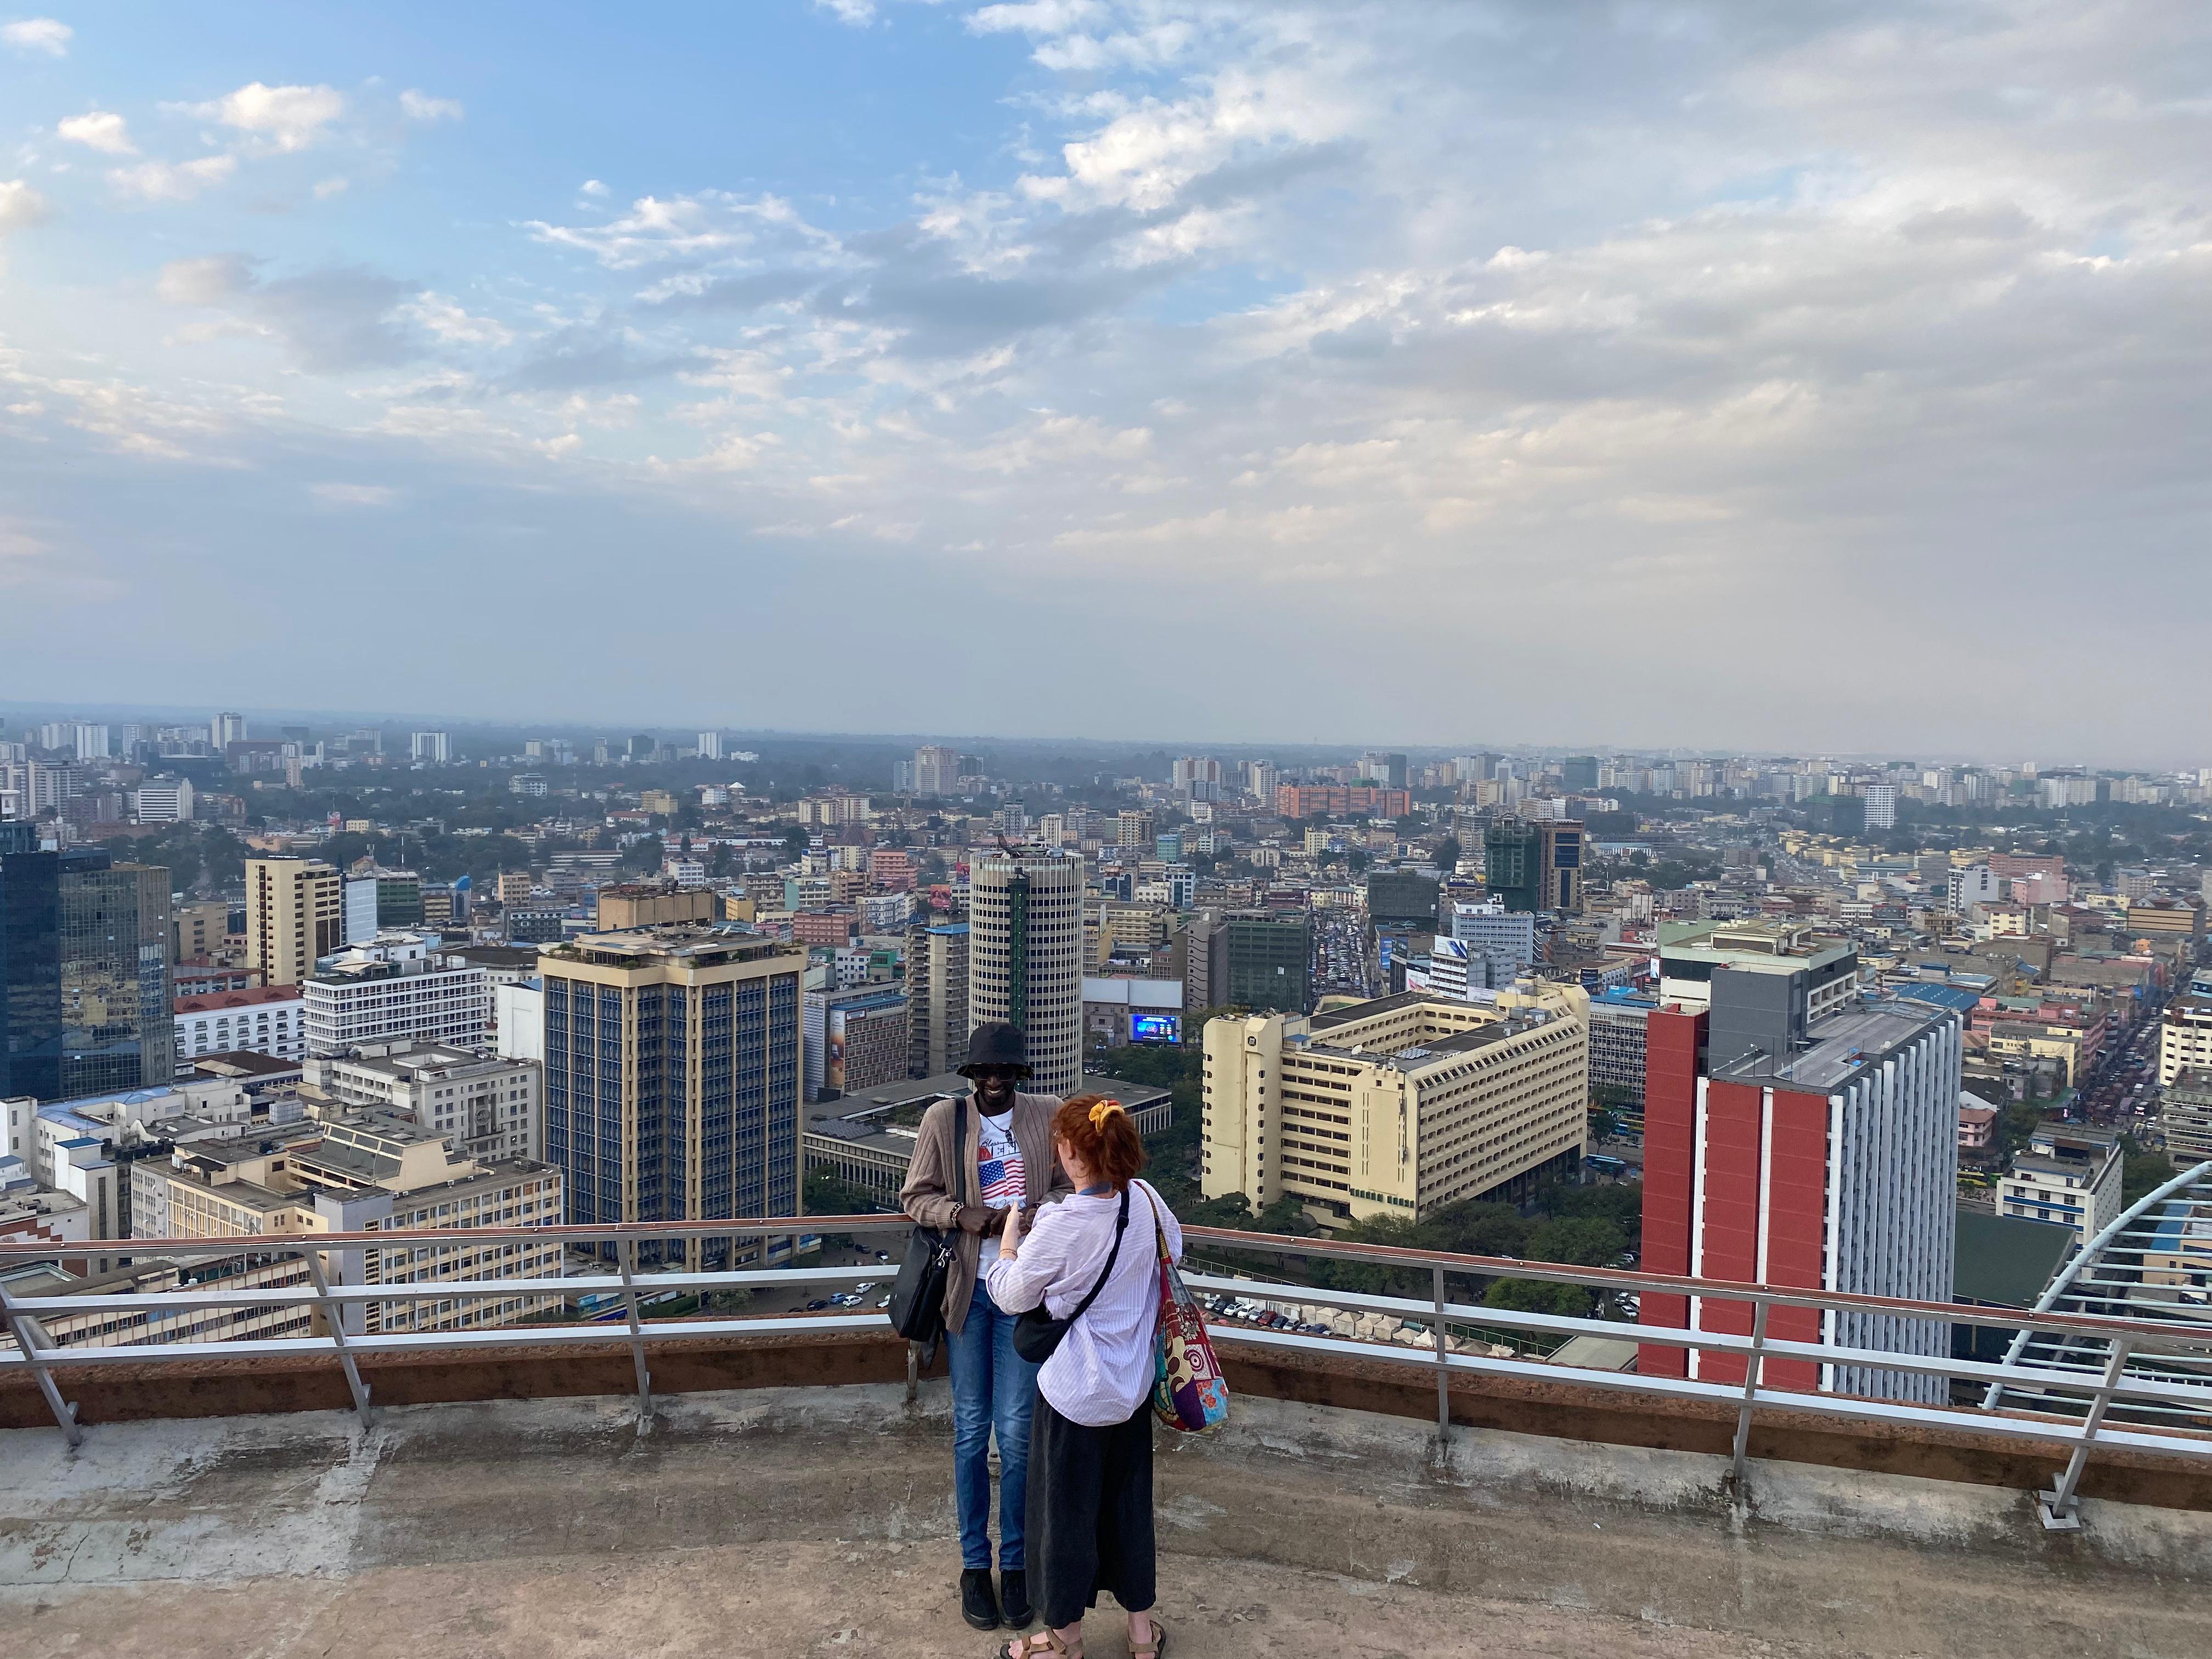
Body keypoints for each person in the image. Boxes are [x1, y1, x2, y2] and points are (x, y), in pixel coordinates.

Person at [983, 1095, 1182, 1659]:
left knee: (1064, 1521)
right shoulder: (1143, 1199)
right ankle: (1142, 1634)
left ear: (1070, 1153)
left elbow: (1010, 1294)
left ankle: (1064, 1640)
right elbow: (1177, 1250)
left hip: (1075, 1398)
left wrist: (1009, 1241)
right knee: (1128, 1512)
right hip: (1133, 1387)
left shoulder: (1063, 1223)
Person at [901, 1021, 1073, 1633]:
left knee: (1020, 1433)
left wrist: (1028, 1216)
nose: (995, 1081)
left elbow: (1067, 1185)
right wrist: (962, 1215)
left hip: (1022, 1290)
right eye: (985, 1073)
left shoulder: (1047, 1116)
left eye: (1005, 1072)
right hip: (966, 1293)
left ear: (1020, 1075)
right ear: (971, 1077)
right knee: (973, 1431)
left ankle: (1018, 1561)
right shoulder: (943, 1122)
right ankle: (976, 1563)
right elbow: (914, 1197)